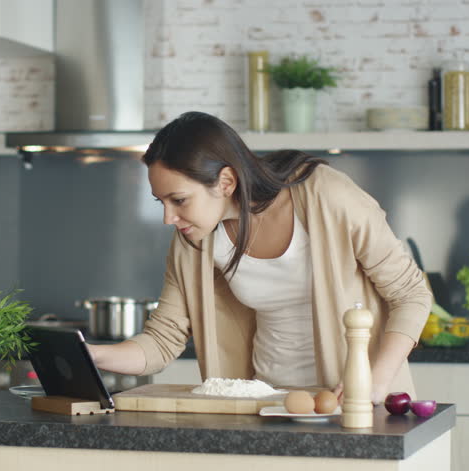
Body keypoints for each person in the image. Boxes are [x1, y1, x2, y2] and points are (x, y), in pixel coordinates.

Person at [86, 111, 432, 402]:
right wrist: (94, 355)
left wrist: (375, 381)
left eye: (179, 200)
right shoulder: (194, 241)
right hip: (267, 404)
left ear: (225, 181)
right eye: (160, 202)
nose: (168, 218)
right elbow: (162, 340)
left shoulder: (327, 196)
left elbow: (411, 295)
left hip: (355, 402)